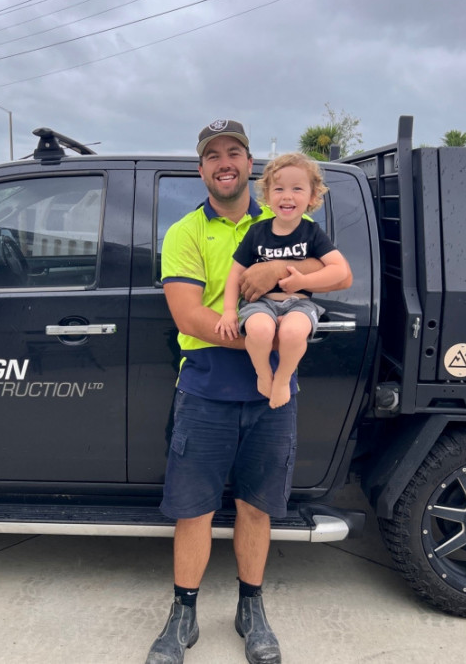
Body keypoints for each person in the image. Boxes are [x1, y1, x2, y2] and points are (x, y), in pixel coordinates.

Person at [146, 120, 352, 664]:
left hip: (273, 394)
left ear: (248, 164)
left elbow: (332, 270)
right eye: (213, 155)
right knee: (193, 510)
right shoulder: (186, 232)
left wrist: (279, 269)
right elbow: (189, 316)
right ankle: (183, 613)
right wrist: (261, 334)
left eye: (233, 152)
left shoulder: (287, 218)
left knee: (257, 508)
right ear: (202, 170)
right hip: (206, 386)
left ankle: (251, 608)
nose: (224, 162)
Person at [215, 152, 350, 409]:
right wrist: (229, 311)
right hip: (260, 303)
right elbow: (235, 274)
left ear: (312, 197)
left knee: (293, 332)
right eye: (279, 189)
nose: (287, 196)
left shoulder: (312, 232)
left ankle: (283, 379)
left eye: (297, 189)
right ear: (267, 196)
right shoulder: (256, 232)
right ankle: (263, 373)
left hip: (299, 304)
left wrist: (303, 281)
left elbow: (340, 270)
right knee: (259, 330)